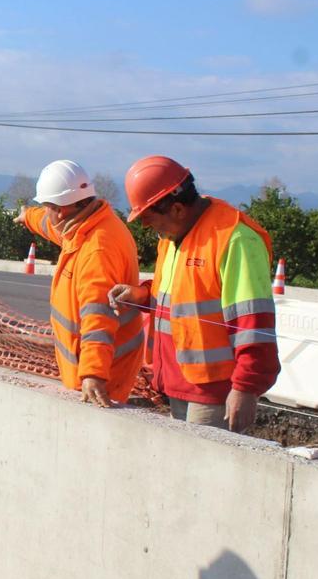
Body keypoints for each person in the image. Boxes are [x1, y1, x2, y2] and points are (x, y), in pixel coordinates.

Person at [108, 156, 280, 432]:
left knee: (204, 470)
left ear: (176, 208)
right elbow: (179, 296)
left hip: (213, 392)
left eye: (152, 222)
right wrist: (141, 295)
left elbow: (253, 323)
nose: (153, 231)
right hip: (178, 383)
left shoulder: (234, 240)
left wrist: (245, 388)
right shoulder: (174, 237)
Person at [13, 160, 146, 406]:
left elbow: (99, 316)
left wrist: (93, 374)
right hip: (91, 364)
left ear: (61, 210)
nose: (46, 212)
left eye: (46, 206)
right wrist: (28, 217)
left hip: (104, 375)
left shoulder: (97, 249)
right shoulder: (85, 225)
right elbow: (50, 225)